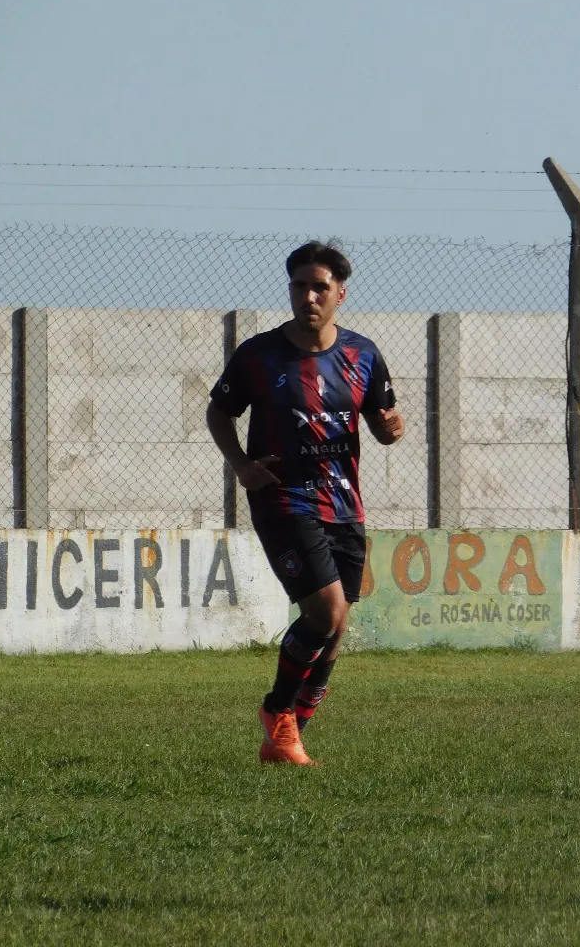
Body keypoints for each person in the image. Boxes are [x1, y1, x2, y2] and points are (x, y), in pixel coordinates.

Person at [207, 240, 404, 766]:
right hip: (284, 499)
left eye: (320, 287)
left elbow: (385, 427)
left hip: (344, 504)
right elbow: (218, 413)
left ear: (340, 293)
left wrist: (391, 430)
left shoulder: (363, 355)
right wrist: (242, 466)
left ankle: (289, 733)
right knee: (326, 612)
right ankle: (277, 711)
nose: (309, 296)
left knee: (337, 628)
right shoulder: (259, 354)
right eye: (300, 285)